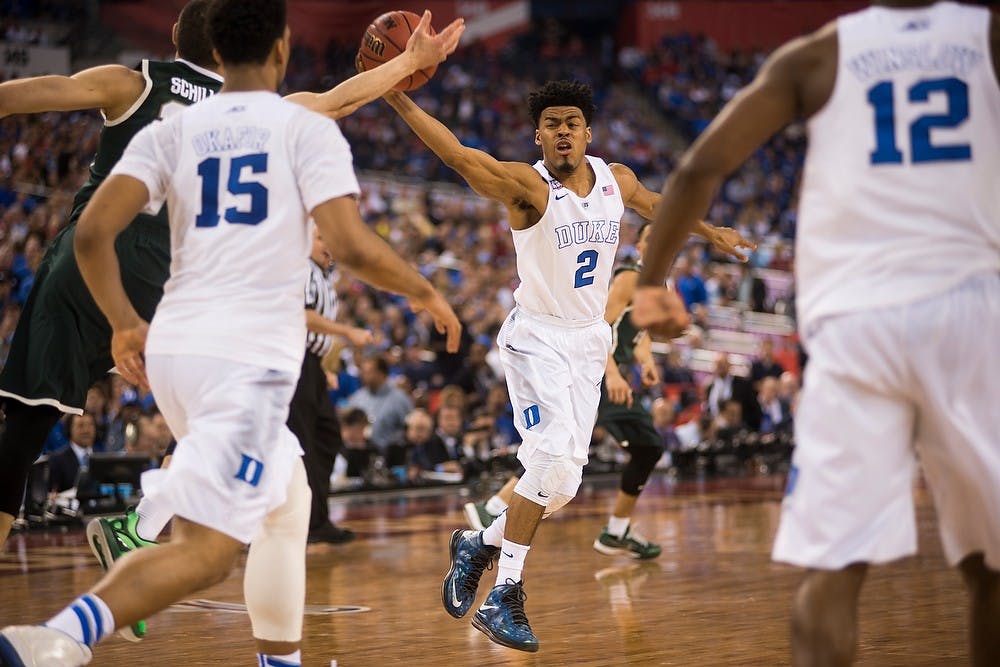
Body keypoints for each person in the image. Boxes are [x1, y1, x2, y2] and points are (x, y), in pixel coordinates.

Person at [0, 2, 463, 666]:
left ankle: (276, 657)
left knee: (285, 495)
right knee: (210, 548)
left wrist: (126, 326)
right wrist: (422, 289)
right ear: (277, 54)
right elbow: (353, 240)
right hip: (227, 348)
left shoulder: (165, 126)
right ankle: (49, 639)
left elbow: (93, 229)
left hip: (166, 336)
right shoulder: (295, 123)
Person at [633, 1, 1000, 664]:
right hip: (971, 310)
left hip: (858, 322)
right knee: (993, 565)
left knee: (834, 563)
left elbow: (698, 168)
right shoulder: (988, 35)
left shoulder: (818, 54)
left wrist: (653, 280)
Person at [385, 79, 751, 651]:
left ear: (587, 132)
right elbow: (458, 157)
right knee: (552, 463)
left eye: (571, 123)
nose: (562, 132)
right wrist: (397, 97)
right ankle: (504, 594)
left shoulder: (616, 180)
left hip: (588, 341)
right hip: (537, 339)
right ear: (539, 135)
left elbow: (662, 207)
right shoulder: (528, 187)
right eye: (552, 123)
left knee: (563, 487)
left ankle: (477, 544)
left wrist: (713, 235)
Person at [293, 228, 373, 545]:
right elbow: (301, 316)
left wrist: (321, 366)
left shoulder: (322, 275)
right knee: (301, 445)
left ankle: (316, 519)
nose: (328, 245)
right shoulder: (300, 268)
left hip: (308, 364)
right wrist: (347, 332)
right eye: (321, 238)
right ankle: (301, 521)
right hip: (292, 362)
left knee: (325, 437)